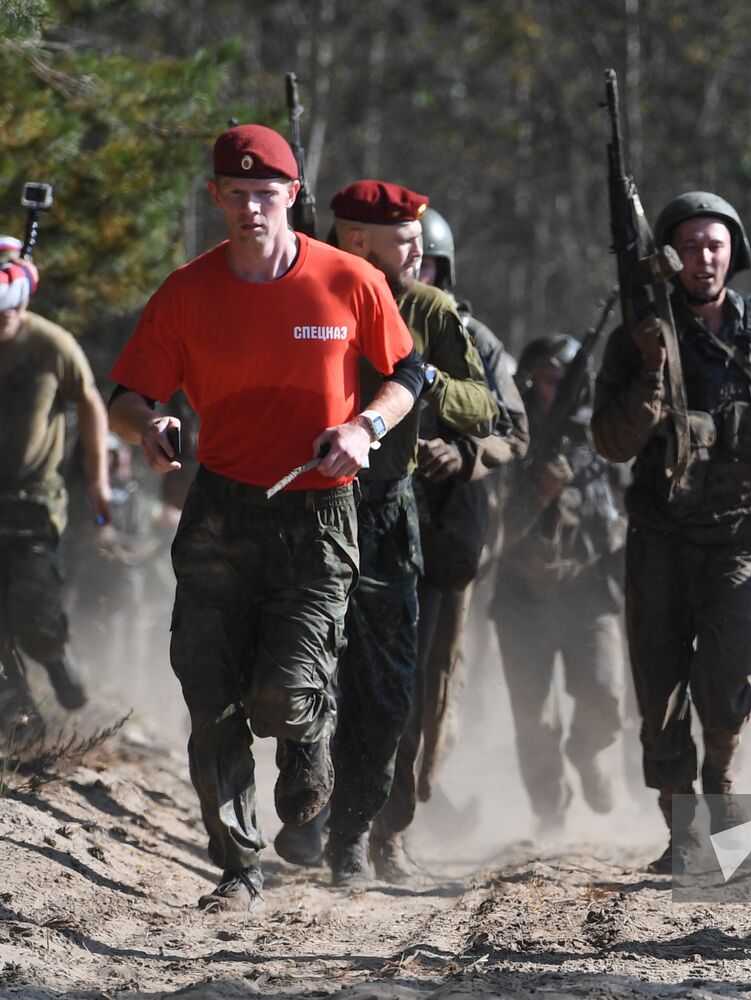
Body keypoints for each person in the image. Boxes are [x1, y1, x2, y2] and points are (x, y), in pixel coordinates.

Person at [107, 125, 422, 912]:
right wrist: (148, 429)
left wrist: (364, 428)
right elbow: (128, 395)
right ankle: (238, 867)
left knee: (283, 692)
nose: (252, 206)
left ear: (292, 196)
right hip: (222, 506)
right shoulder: (188, 291)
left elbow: (407, 372)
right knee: (210, 692)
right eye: (236, 193)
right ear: (216, 198)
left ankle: (308, 732)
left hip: (318, 509)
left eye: (266, 192)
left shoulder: (347, 281)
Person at [592, 191, 751, 873]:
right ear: (669, 257)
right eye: (691, 246)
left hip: (738, 536)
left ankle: (724, 793)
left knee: (728, 669)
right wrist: (648, 369)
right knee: (660, 687)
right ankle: (684, 829)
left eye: (715, 245)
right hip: (657, 539)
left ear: (733, 254)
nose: (704, 257)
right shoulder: (637, 337)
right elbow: (610, 442)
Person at [271, 180, 498, 883]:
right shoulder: (301, 290)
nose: (418, 251)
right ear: (356, 239)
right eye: (403, 239)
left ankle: (354, 833)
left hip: (388, 515)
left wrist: (427, 381)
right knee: (307, 666)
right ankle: (305, 809)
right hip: (308, 505)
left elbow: (482, 407)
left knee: (389, 687)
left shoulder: (428, 309)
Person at [371, 205, 528, 881]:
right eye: (407, 259)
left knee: (426, 689)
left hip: (443, 535)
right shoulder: (355, 319)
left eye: (428, 263)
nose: (413, 271)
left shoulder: (474, 339)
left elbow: (511, 429)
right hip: (366, 519)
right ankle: (341, 809)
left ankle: (394, 821)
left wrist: (462, 456)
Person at [491, 334, 627, 834]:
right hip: (521, 598)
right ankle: (549, 811)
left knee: (605, 697)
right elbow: (494, 532)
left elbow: (626, 508)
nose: (555, 381)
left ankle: (588, 754)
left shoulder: (602, 437)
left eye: (564, 374)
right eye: (545, 372)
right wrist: (538, 491)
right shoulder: (507, 437)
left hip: (588, 592)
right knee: (535, 719)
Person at [0, 241, 110, 740]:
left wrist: (97, 477)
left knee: (32, 607)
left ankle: (54, 655)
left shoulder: (51, 345)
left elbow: (88, 402)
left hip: (33, 498)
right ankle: (18, 714)